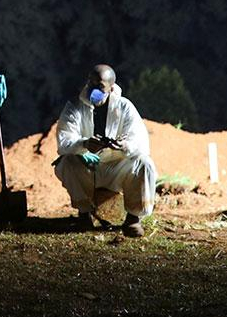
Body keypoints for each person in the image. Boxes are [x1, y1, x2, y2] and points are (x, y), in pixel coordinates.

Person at [54, 64, 157, 238]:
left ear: (111, 87)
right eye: (91, 83)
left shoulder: (124, 107)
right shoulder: (75, 106)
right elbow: (64, 139)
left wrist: (124, 145)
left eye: (100, 85)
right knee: (67, 162)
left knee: (145, 163)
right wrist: (84, 144)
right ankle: (84, 214)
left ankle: (133, 218)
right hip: (87, 167)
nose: (93, 89)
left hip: (116, 168)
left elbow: (140, 141)